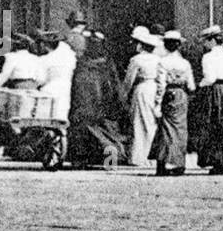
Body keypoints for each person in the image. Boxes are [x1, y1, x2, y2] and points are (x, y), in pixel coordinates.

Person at [67, 33, 126, 167]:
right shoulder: (107, 64)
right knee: (106, 132)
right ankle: (109, 160)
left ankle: (80, 161)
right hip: (102, 104)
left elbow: (76, 84)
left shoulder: (82, 63)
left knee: (82, 132)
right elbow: (115, 85)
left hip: (84, 104)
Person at [195, 24, 223, 176]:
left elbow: (210, 78)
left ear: (212, 41)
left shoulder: (208, 57)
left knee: (212, 125)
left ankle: (216, 161)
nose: (205, 45)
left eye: (206, 41)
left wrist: (199, 85)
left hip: (214, 91)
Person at [150, 30, 195, 177]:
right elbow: (191, 85)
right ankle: (179, 163)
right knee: (181, 129)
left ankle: (163, 163)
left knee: (166, 129)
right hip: (181, 95)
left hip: (168, 94)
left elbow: (161, 84)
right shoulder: (185, 63)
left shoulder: (162, 62)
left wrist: (157, 103)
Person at [122, 27, 161, 167]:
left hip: (142, 89)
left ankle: (139, 156)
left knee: (138, 122)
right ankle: (152, 156)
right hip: (155, 89)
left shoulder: (136, 60)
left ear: (141, 45)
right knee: (151, 122)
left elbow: (128, 81)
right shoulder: (158, 59)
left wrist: (123, 95)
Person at [36, 30, 76, 121]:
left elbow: (40, 80)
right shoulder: (69, 56)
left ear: (44, 44)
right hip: (65, 92)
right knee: (61, 120)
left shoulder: (45, 60)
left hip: (48, 93)